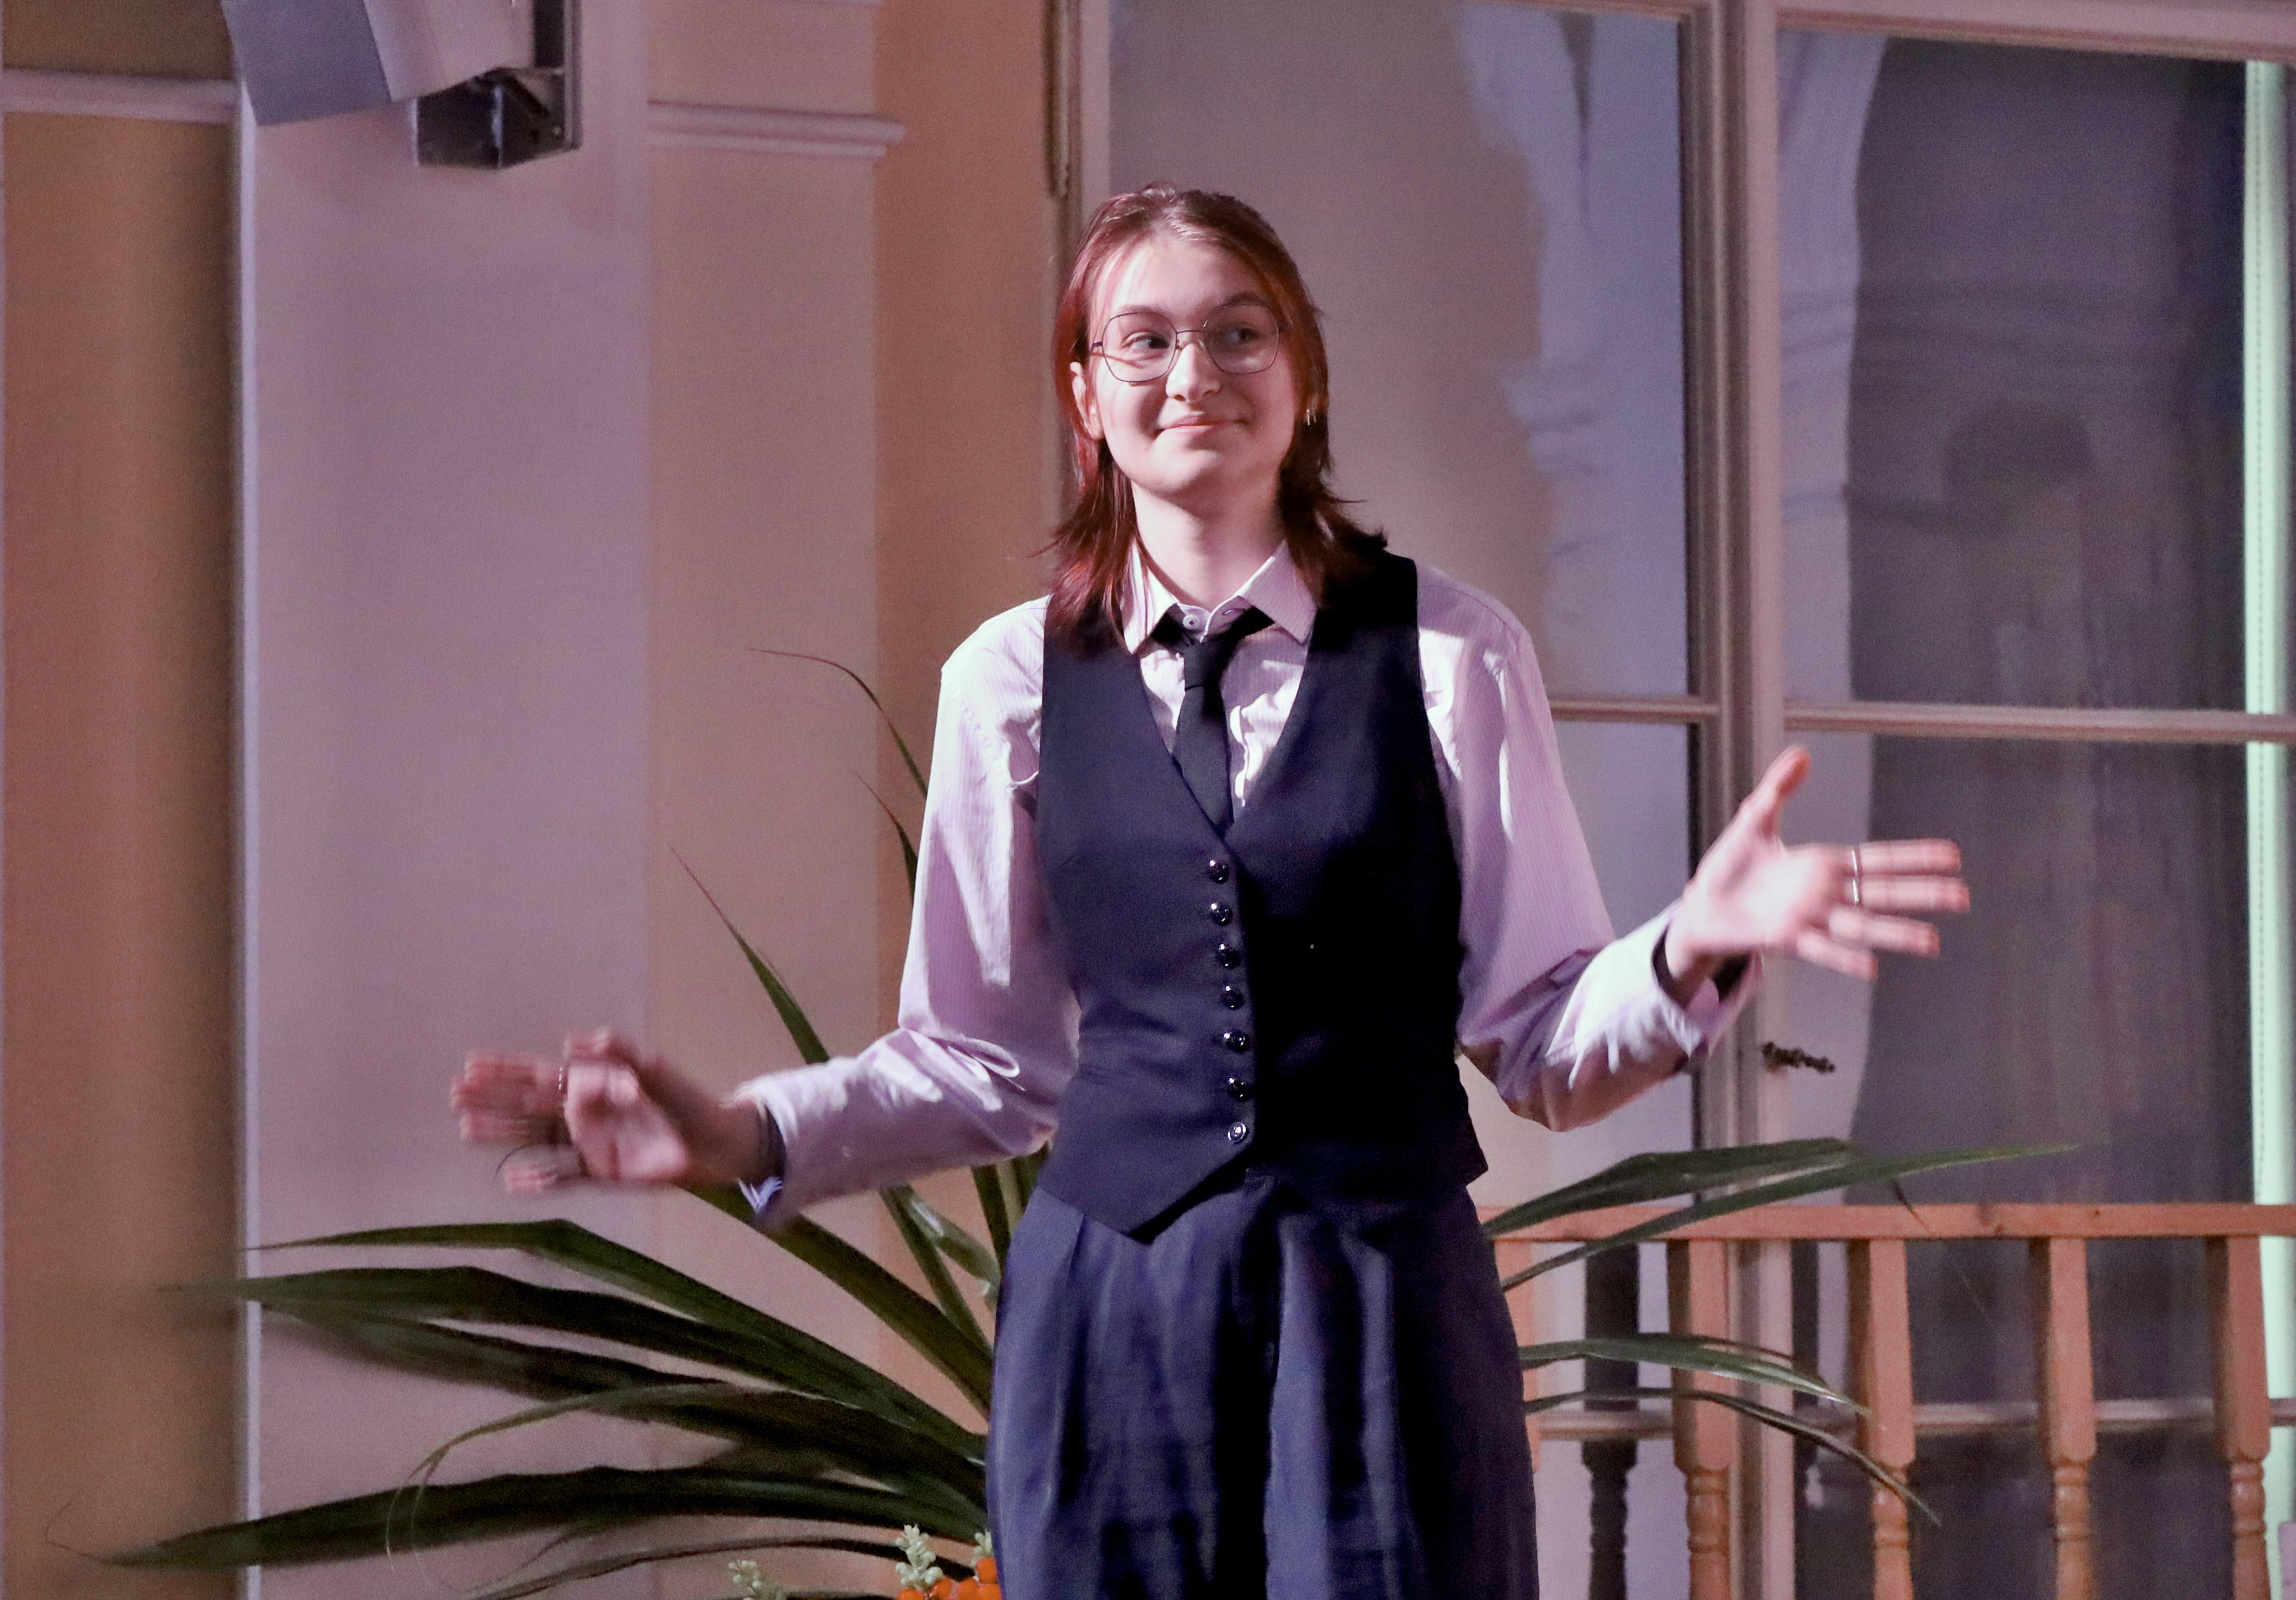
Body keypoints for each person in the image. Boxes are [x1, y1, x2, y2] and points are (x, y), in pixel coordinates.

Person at [452, 185, 1966, 1600]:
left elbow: (1546, 1048)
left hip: (1383, 1307)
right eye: (1145, 339)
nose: (1194, 373)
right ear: (1085, 394)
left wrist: (1691, 944)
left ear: (1305, 378)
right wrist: (739, 1134)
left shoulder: (1454, 652)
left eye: (1240, 331)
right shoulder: (1006, 679)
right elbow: (979, 1063)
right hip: (1113, 1317)